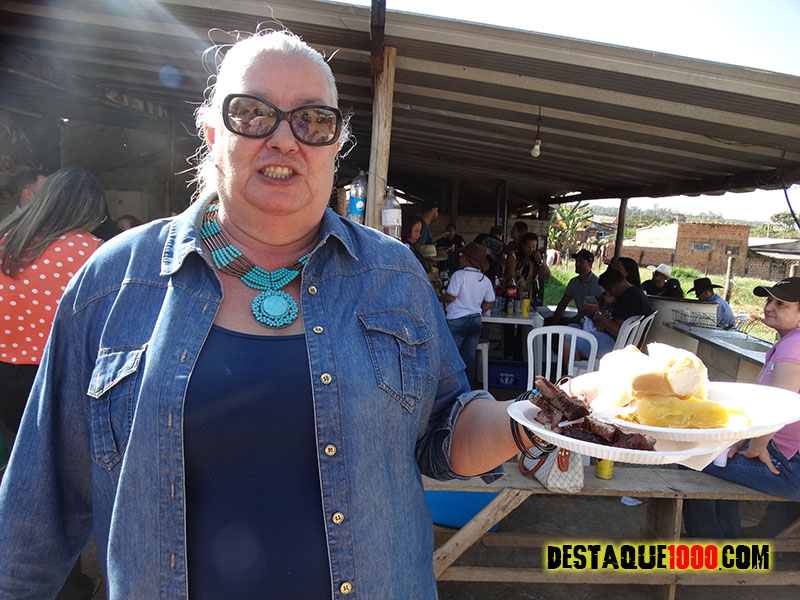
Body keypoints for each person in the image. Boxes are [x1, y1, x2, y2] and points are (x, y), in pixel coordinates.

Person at [0, 30, 532, 599]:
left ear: (335, 146)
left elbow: (445, 432)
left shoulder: (392, 275)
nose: (283, 139)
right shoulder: (115, 280)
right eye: (251, 114)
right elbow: (37, 507)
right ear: (212, 135)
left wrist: (547, 416)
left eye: (313, 121)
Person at [0, 167, 106, 600]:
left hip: (5, 377)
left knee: (23, 474)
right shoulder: (93, 252)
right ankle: (68, 585)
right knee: (66, 483)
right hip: (57, 378)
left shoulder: (7, 241)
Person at [683, 277, 800, 538]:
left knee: (692, 458)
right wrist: (744, 439)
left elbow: (782, 402)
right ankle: (726, 540)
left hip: (790, 465)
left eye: (781, 304)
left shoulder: (795, 346)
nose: (769, 307)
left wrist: (757, 444)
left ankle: (710, 545)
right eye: (769, 300)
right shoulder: (790, 341)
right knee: (720, 455)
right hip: (784, 456)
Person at [441, 243, 495, 387]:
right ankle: (468, 388)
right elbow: (490, 300)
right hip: (475, 321)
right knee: (469, 357)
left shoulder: (459, 275)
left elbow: (451, 297)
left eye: (461, 256)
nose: (459, 258)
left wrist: (438, 297)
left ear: (467, 259)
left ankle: (451, 388)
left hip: (457, 320)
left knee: (452, 355)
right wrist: (479, 311)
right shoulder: (484, 279)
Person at [571, 268, 651, 359]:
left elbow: (618, 332)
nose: (607, 293)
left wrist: (598, 313)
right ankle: (577, 363)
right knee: (572, 327)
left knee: (564, 336)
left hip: (617, 346)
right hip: (626, 343)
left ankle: (573, 365)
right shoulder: (636, 293)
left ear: (613, 289)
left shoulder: (627, 299)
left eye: (607, 290)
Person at [550, 249, 605, 325]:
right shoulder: (573, 282)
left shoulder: (597, 284)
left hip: (594, 324)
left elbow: (591, 311)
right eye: (576, 261)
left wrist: (570, 321)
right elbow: (563, 304)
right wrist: (554, 322)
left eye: (581, 262)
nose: (577, 264)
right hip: (580, 322)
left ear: (590, 264)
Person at [505, 232, 550, 303]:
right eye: (528, 247)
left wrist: (540, 262)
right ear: (523, 245)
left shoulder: (537, 257)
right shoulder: (514, 255)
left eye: (533, 247)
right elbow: (510, 274)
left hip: (531, 296)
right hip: (514, 294)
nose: (531, 250)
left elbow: (547, 276)